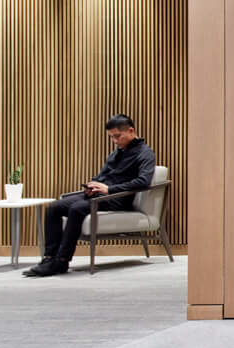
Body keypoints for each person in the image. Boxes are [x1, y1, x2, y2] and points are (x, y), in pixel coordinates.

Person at [26, 114, 158, 278]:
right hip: (99, 196)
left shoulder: (145, 153)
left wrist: (109, 189)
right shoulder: (116, 153)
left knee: (76, 208)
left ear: (131, 131)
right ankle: (49, 258)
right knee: (54, 207)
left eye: (118, 136)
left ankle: (61, 261)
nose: (115, 141)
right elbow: (102, 176)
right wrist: (93, 184)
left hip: (116, 199)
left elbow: (143, 182)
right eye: (111, 137)